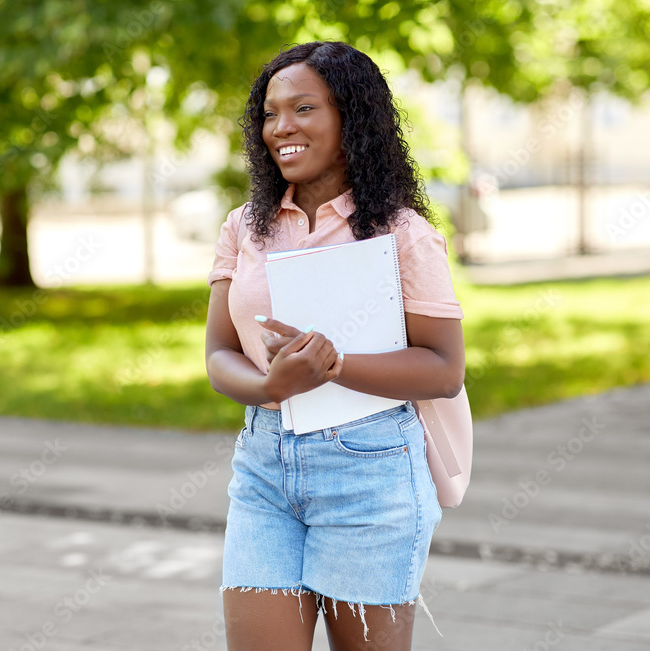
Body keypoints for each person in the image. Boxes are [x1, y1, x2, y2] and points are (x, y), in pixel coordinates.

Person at [204, 40, 465, 651]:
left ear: (352, 116)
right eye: (269, 113)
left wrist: (336, 366)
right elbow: (219, 353)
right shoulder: (244, 226)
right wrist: (271, 386)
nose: (281, 128)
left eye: (303, 109)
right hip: (264, 469)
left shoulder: (403, 233)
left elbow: (443, 368)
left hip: (371, 470)